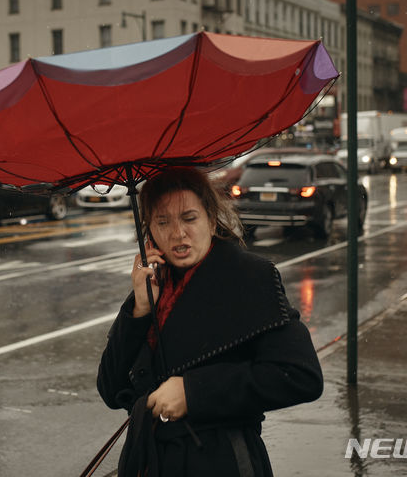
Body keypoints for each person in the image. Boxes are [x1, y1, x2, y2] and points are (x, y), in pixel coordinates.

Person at [97, 167, 323, 477]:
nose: (178, 234)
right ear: (149, 234)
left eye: (189, 218)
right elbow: (111, 390)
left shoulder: (250, 277)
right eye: (163, 222)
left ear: (211, 220)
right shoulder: (153, 287)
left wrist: (194, 393)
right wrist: (139, 310)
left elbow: (299, 376)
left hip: (223, 462)